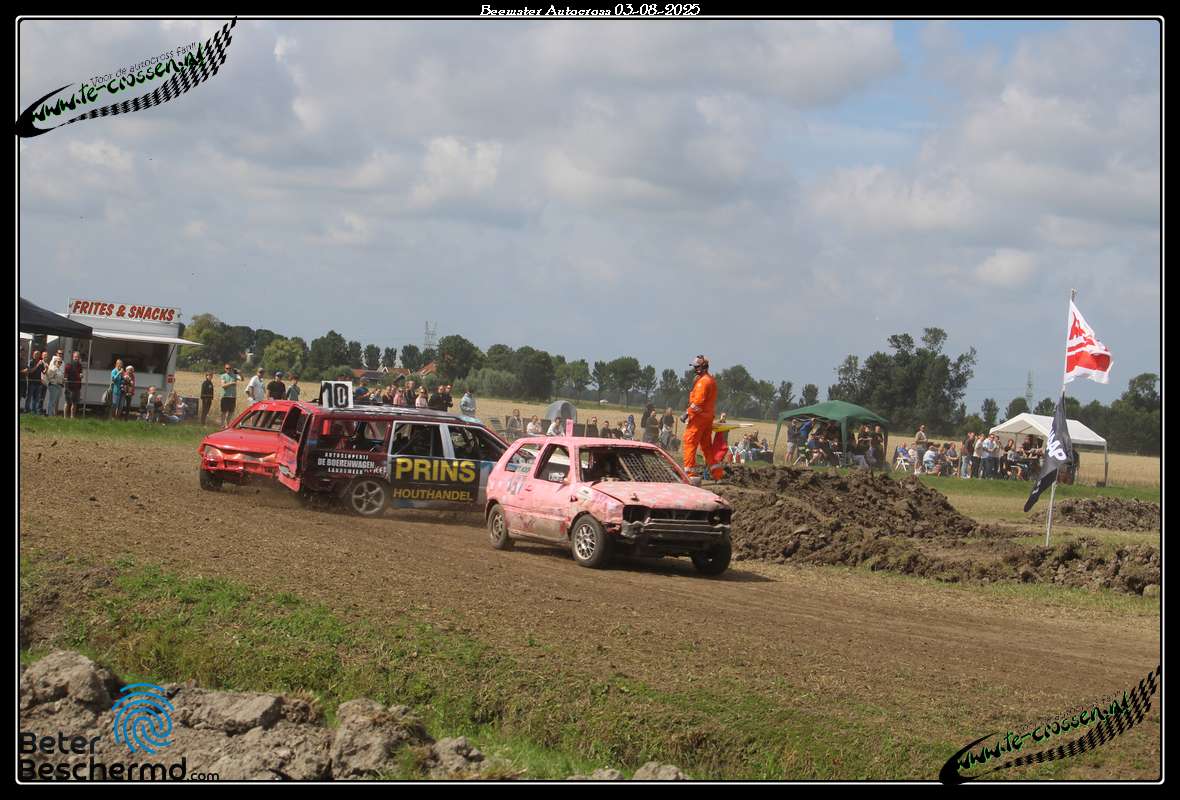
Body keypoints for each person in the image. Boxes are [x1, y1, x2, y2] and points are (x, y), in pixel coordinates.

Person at [682, 355, 718, 482]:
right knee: (707, 447)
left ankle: (690, 474)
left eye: (697, 367)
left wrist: (687, 413)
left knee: (690, 442)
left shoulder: (703, 382)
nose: (695, 369)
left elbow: (697, 403)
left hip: (699, 418)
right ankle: (717, 474)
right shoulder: (711, 380)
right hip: (707, 418)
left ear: (703, 367)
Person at [63, 351, 84, 419]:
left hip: (77, 387)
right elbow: (65, 376)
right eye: (75, 357)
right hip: (69, 387)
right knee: (67, 402)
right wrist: (66, 382)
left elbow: (80, 373)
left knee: (75, 403)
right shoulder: (68, 365)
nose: (76, 358)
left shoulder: (80, 366)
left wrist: (81, 375)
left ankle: (72, 417)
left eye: (77, 357)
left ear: (79, 358)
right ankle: (65, 417)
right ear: (72, 357)